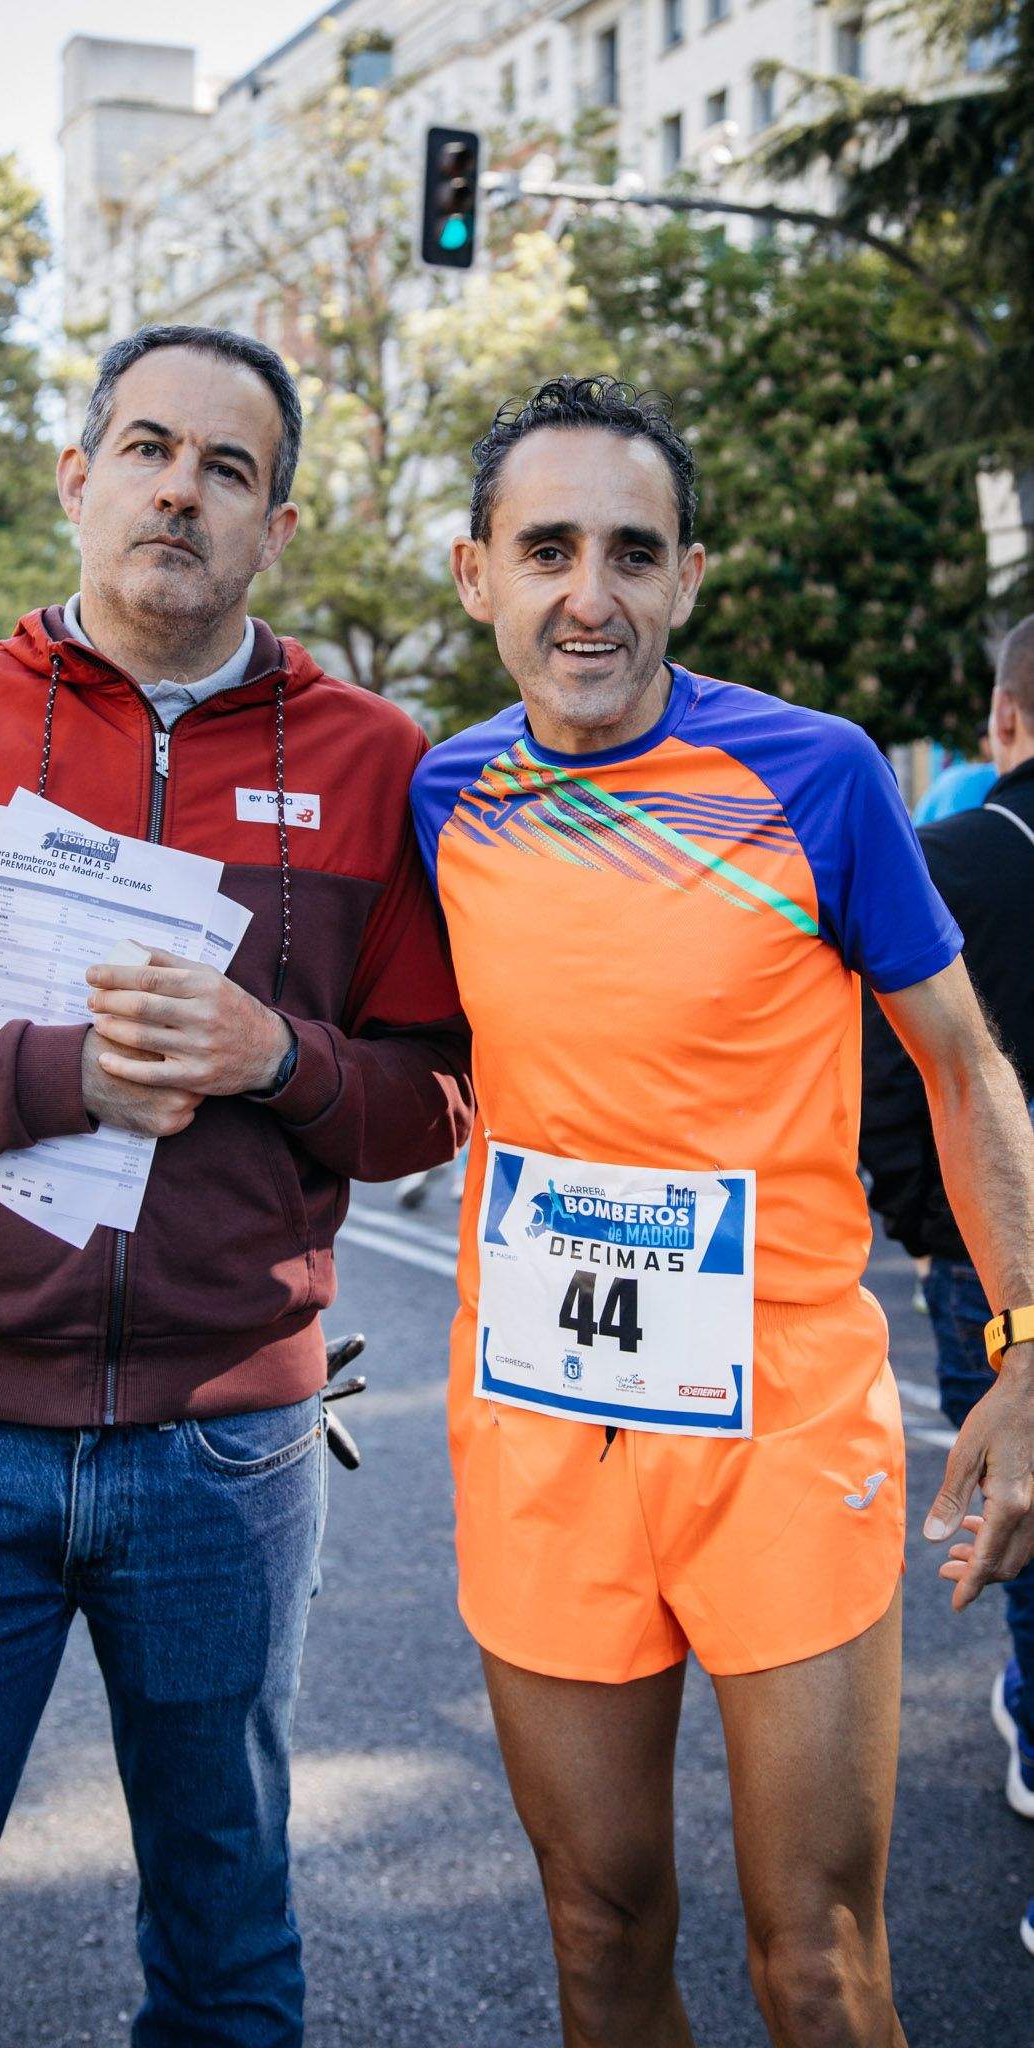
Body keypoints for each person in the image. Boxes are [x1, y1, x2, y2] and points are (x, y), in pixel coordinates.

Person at [0, 324, 471, 2047]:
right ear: (78, 482)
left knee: (229, 1967)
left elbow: (434, 1097)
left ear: (275, 525)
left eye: (228, 468)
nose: (181, 488)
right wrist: (55, 1074)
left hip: (232, 1452)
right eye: (148, 449)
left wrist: (271, 1057)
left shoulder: (380, 755)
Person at [409, 375, 1034, 2046]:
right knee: (599, 1926)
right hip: (540, 1424)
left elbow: (968, 1071)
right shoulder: (440, 796)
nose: (587, 594)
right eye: (546, 549)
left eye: (632, 550)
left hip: (779, 1423)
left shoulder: (817, 775)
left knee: (816, 1959)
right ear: (478, 575)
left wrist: (1031, 1353)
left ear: (689, 577)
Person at [861, 612, 1034, 1940]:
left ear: (1005, 724)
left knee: (1018, 1509)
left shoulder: (953, 856)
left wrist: (923, 1229)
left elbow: (895, 1077)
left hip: (990, 1263)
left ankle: (1030, 1717)